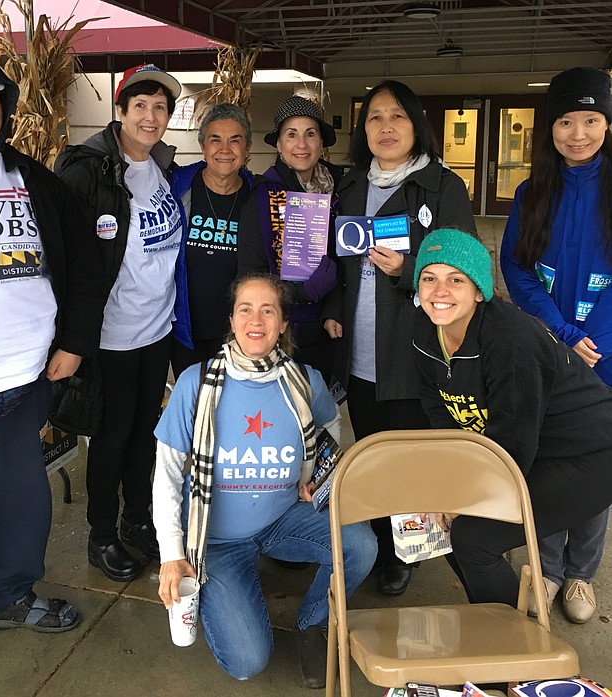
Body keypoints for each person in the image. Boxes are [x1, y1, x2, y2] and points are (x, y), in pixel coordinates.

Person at [0, 51, 104, 682]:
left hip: (25, 381)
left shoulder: (37, 182)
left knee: (19, 504)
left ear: (3, 110)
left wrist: (74, 342)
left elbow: (87, 269)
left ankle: (12, 598)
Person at [153, 273, 377, 689]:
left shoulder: (305, 380)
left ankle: (314, 621)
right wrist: (170, 554)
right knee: (247, 662)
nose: (256, 320)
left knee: (361, 545)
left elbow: (330, 424)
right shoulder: (195, 384)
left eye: (268, 310)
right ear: (232, 320)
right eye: (246, 309)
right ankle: (220, 589)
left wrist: (316, 477)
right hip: (215, 539)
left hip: (282, 518)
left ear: (283, 323)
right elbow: (166, 474)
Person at [322, 80, 476, 597]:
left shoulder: (441, 187)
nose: (385, 127)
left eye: (397, 117)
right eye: (374, 118)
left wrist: (408, 270)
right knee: (370, 452)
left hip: (412, 352)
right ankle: (382, 543)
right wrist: (332, 310)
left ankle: (402, 553)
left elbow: (463, 271)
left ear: (416, 125)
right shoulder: (348, 187)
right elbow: (331, 264)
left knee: (411, 458)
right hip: (360, 351)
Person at [412, 227, 612, 607]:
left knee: (473, 538)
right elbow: (437, 408)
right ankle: (490, 622)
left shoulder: (510, 336)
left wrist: (459, 497)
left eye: (456, 279)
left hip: (588, 456)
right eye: (429, 278)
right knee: (449, 530)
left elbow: (513, 442)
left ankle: (521, 654)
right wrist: (444, 481)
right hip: (531, 448)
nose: (440, 291)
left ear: (478, 290)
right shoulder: (425, 330)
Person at [55, 64, 184, 582]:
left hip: (156, 332)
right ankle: (101, 535)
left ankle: (137, 522)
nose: (150, 117)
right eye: (141, 106)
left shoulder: (161, 166)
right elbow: (62, 254)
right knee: (110, 438)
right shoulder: (88, 170)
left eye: (160, 108)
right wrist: (73, 335)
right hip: (110, 336)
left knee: (143, 435)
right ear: (120, 110)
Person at [500, 67, 612, 623]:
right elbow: (517, 272)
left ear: (607, 123)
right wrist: (562, 335)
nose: (577, 133)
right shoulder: (531, 192)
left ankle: (581, 576)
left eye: (590, 119)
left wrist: (595, 340)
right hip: (549, 348)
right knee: (543, 458)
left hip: (606, 354)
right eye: (565, 121)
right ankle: (543, 567)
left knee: (596, 460)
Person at [238, 95, 340, 382]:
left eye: (310, 134)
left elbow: (349, 258)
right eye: (291, 135)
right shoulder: (261, 197)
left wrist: (334, 308)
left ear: (321, 142)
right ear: (279, 145)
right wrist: (303, 293)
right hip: (282, 331)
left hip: (330, 328)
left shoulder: (341, 189)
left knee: (323, 416)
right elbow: (250, 275)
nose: (302, 144)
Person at [170, 103, 253, 377]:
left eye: (235, 140)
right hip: (184, 333)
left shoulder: (260, 196)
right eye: (215, 139)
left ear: (247, 149)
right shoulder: (175, 187)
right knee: (194, 410)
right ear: (203, 146)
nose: (225, 149)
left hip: (238, 335)